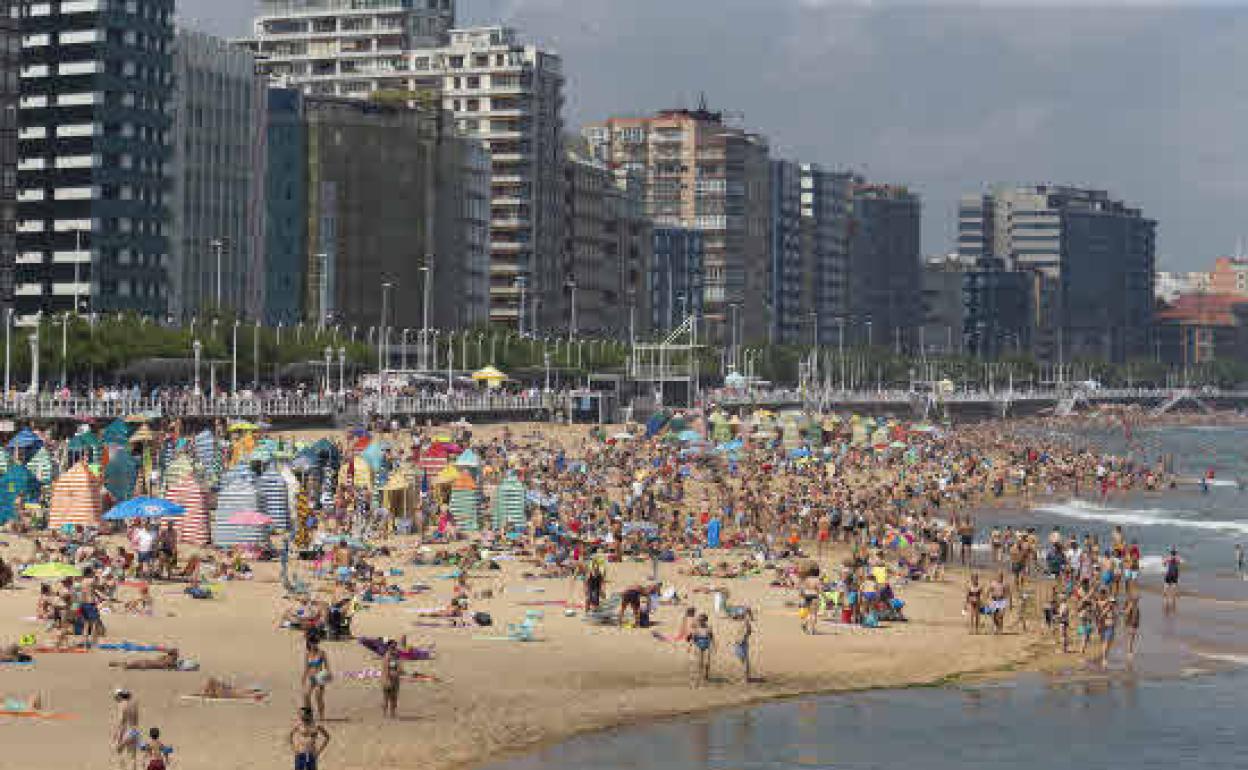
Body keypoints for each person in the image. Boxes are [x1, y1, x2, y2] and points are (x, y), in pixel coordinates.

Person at [302, 634, 332, 721]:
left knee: (318, 696)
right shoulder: (308, 654)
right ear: (310, 643)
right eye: (313, 643)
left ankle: (321, 715)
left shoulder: (322, 653)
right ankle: (309, 714)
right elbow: (306, 667)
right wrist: (303, 678)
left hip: (320, 676)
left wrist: (328, 675)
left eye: (316, 643)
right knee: (306, 695)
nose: (315, 644)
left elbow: (327, 666)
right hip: (312, 678)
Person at [113, 689, 140, 770]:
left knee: (119, 752)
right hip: (135, 731)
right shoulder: (134, 705)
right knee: (132, 757)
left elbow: (122, 723)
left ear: (120, 696)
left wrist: (119, 738)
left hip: (127, 731)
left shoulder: (122, 705)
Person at [688, 613, 713, 687]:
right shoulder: (696, 628)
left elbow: (711, 637)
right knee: (699, 663)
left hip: (706, 646)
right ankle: (698, 678)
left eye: (702, 620)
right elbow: (693, 638)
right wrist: (690, 646)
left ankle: (706, 676)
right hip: (698, 646)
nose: (701, 622)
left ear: (705, 620)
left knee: (706, 663)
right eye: (700, 620)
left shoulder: (708, 628)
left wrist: (713, 646)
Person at [380, 640, 401, 719]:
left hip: (395, 680)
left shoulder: (396, 656)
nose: (394, 648)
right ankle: (384, 714)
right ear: (389, 647)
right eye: (392, 647)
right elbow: (385, 669)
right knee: (386, 697)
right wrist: (387, 679)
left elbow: (399, 667)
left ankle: (392, 713)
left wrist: (399, 672)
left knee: (394, 698)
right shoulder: (387, 657)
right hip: (388, 679)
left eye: (395, 646)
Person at [733, 608, 755, 683]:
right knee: (743, 660)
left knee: (744, 661)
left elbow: (748, 632)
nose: (737, 617)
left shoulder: (745, 622)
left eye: (738, 615)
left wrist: (741, 640)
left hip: (741, 643)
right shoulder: (743, 622)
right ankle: (746, 677)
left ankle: (745, 678)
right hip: (740, 643)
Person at [1162, 547, 1181, 612]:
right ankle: (1172, 597)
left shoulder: (1169, 557)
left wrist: (1167, 561)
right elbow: (1178, 563)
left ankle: (1167, 597)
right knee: (1173, 585)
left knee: (1167, 585)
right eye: (1174, 552)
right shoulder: (1176, 558)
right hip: (1174, 573)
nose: (1174, 553)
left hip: (1170, 573)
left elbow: (1164, 564)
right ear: (1175, 552)